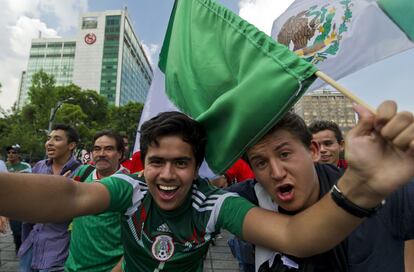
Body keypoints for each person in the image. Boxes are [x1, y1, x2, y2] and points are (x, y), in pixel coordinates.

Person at [0, 101, 414, 271]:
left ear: (197, 168)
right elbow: (72, 196)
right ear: (143, 164)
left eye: (181, 163)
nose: (166, 175)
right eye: (156, 162)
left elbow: (294, 236)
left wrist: (361, 185)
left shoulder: (214, 204)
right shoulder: (131, 189)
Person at [229, 103, 414, 271]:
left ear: (313, 151)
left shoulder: (389, 191)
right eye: (261, 163)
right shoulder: (244, 199)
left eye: (284, 154)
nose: (277, 173)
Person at [18, 124, 81, 272]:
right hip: (31, 243)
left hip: (59, 248)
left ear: (71, 145)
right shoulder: (39, 167)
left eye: (57, 139)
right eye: (49, 138)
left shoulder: (81, 172)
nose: (49, 143)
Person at [65, 130, 128, 272]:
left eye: (109, 149)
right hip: (72, 267)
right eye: (97, 149)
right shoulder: (83, 172)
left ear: (120, 154)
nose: (101, 154)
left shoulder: (131, 186)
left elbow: (138, 241)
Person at [4, 144, 31, 254]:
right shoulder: (3, 165)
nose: (11, 154)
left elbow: (28, 177)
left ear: (18, 154)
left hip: (19, 201)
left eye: (14, 152)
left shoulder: (25, 166)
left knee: (17, 228)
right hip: (5, 200)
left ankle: (19, 246)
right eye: (9, 152)